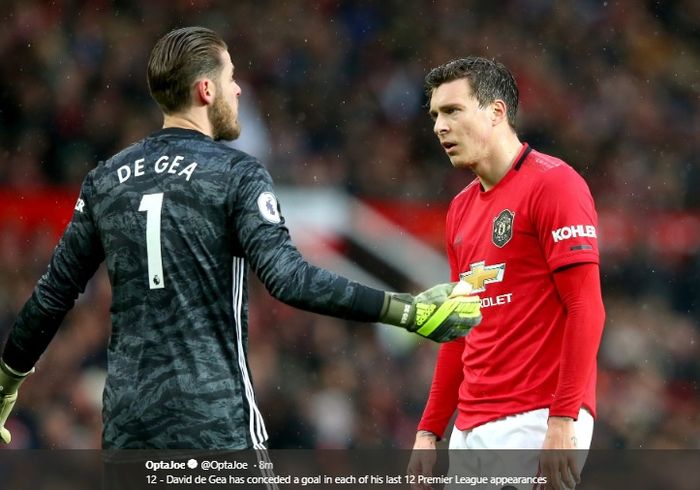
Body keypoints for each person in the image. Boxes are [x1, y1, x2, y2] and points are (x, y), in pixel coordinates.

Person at [0, 27, 483, 451]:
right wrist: (405, 310)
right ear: (206, 90)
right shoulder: (234, 173)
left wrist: (6, 385)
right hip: (214, 422)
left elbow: (51, 296)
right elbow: (289, 280)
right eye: (230, 77)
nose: (238, 89)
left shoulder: (107, 179)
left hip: (129, 428)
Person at [407, 57, 605, 490]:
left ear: (496, 112)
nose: (439, 126)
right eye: (435, 115)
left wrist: (562, 418)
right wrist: (430, 429)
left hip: (537, 419)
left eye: (453, 111)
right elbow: (459, 328)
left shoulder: (555, 185)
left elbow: (586, 307)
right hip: (471, 426)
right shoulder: (459, 210)